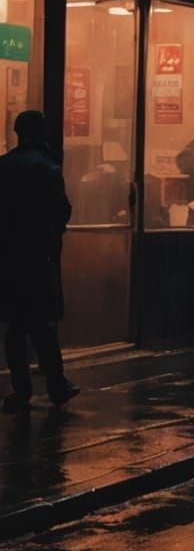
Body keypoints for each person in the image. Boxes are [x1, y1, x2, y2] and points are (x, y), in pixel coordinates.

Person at [0, 111, 80, 413]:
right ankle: (56, 385)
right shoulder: (47, 167)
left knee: (16, 326)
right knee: (40, 324)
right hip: (37, 256)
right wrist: (50, 241)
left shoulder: (4, 166)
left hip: (8, 257)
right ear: (42, 132)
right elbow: (60, 210)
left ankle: (21, 389)